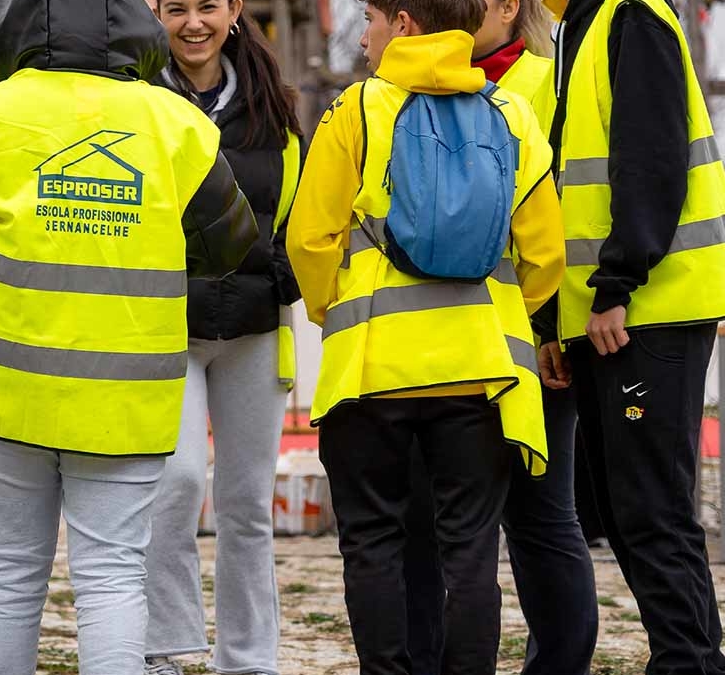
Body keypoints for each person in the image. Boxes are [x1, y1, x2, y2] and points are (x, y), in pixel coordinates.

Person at [0, 1, 258, 673]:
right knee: (113, 573)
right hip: (126, 392)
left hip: (6, 387)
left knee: (8, 570)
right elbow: (229, 246)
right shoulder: (176, 124)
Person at [286, 0, 566, 670]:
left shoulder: (356, 110)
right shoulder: (512, 114)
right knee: (470, 549)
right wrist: (497, 309)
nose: (364, 37)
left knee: (373, 543)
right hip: (480, 371)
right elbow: (545, 256)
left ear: (405, 22)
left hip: (372, 369)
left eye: (372, 20)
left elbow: (310, 238)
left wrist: (335, 310)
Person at [401, 1, 599, 672]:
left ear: (510, 8)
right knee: (428, 521)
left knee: (540, 515)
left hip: (526, 339)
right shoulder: (413, 81)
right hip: (433, 340)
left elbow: (566, 217)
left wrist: (548, 326)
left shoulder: (547, 82)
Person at [539, 0, 725, 669]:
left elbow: (650, 159)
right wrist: (555, 320)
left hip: (644, 307)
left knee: (651, 509)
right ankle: (691, 657)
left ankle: (687, 662)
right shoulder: (582, 26)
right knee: (627, 510)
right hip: (610, 312)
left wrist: (616, 285)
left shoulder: (632, 16)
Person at [142, 2, 304, 674]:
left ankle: (249, 658)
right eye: (176, 8)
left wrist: (281, 272)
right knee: (174, 484)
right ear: (155, 12)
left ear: (234, 10)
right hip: (166, 328)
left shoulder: (275, 108)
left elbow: (298, 207)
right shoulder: (137, 98)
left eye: (208, 5)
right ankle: (165, 646)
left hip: (254, 328)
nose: (193, 23)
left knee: (246, 503)